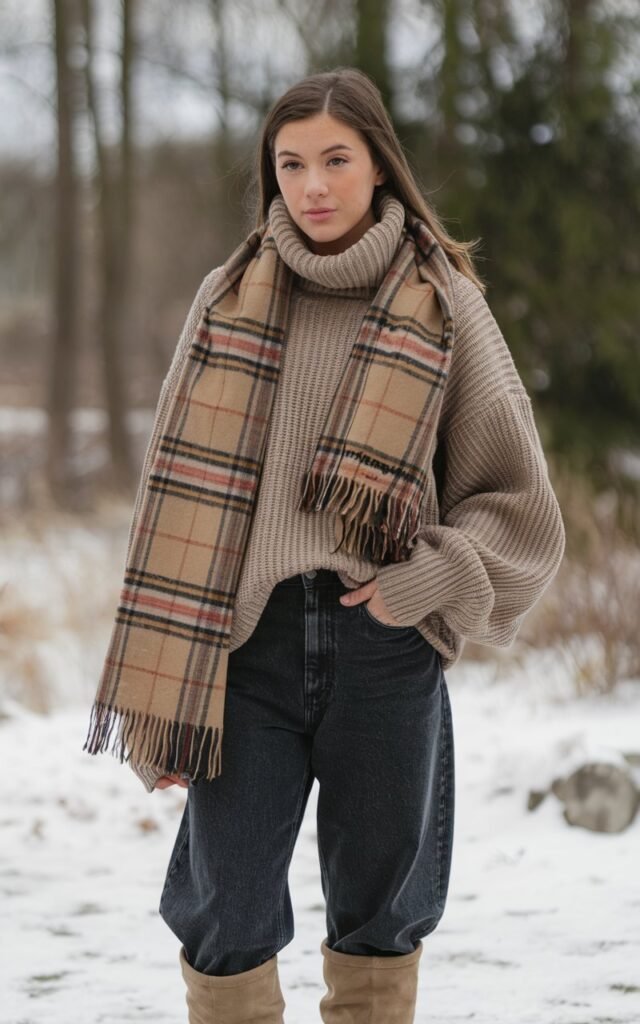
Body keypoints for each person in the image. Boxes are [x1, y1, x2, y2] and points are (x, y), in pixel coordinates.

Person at [83, 67, 566, 1023]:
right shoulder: (226, 299)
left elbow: (519, 503)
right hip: (248, 649)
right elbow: (169, 510)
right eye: (291, 163)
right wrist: (164, 691)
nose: (312, 185)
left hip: (382, 645)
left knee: (382, 917)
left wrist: (424, 580)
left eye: (336, 160)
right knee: (225, 911)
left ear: (380, 165)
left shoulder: (444, 302)